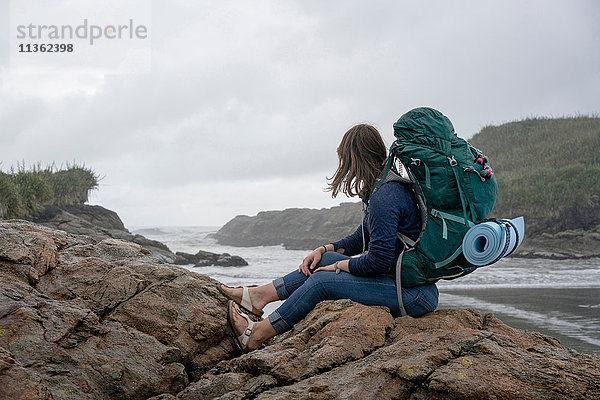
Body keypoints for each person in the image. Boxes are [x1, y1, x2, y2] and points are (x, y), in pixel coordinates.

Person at [219, 124, 439, 353]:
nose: (342, 166)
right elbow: (359, 240)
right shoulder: (383, 189)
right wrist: (324, 250)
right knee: (323, 262)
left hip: (413, 295)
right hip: (404, 283)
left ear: (355, 158)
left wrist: (339, 266)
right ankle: (258, 297)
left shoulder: (386, 196)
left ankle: (256, 334)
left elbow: (378, 262)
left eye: (343, 159)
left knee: (322, 282)